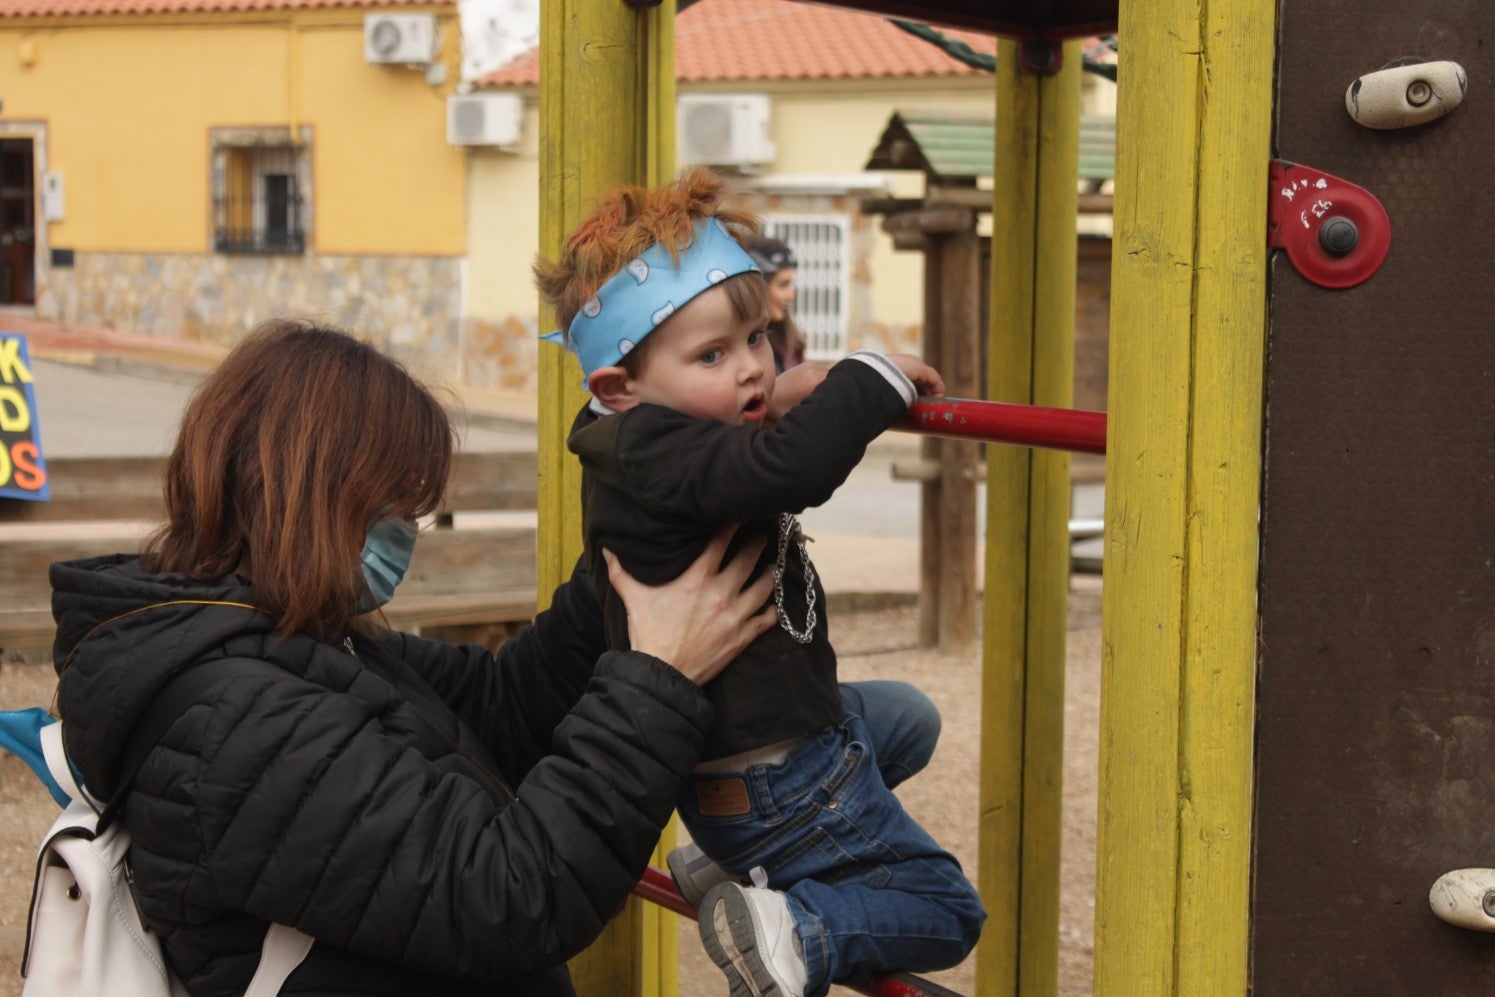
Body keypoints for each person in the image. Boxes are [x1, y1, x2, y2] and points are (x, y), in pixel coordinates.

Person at [47, 318, 786, 996]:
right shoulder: (238, 720)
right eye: (393, 503)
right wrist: (660, 676)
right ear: (308, 490)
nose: (407, 528)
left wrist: (641, 555)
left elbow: (502, 706)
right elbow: (509, 895)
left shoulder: (289, 643)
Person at [535, 168, 985, 997]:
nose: (749, 367)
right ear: (620, 389)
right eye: (713, 354)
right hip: (768, 773)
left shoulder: (632, 441)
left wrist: (778, 395)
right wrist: (868, 378)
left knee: (905, 718)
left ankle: (736, 863)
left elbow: (724, 450)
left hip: (731, 757)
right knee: (947, 907)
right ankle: (794, 932)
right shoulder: (661, 452)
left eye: (756, 338)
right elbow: (793, 467)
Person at [740, 233, 807, 372]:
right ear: (757, 287)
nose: (791, 296)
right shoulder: (738, 348)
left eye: (791, 284)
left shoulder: (788, 343)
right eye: (783, 284)